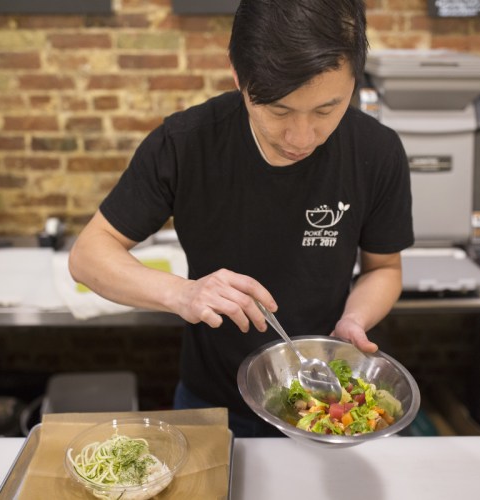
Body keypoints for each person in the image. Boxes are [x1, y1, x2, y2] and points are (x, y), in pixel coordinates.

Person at [68, 0, 413, 437]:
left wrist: (354, 321)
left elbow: (384, 269)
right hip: (211, 406)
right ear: (238, 75)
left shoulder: (376, 152)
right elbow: (88, 255)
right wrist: (184, 294)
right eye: (279, 111)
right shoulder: (186, 144)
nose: (302, 137)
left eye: (326, 110)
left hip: (328, 406)